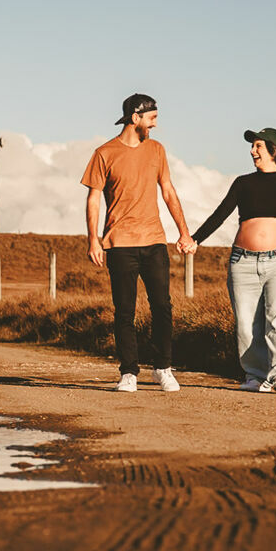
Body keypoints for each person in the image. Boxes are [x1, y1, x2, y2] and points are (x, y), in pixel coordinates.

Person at [81, 93, 198, 393]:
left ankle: (163, 368)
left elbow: (168, 191)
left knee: (162, 307)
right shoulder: (104, 153)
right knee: (124, 311)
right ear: (136, 118)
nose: (155, 125)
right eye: (152, 119)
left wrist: (184, 233)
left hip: (154, 240)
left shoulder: (156, 150)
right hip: (120, 243)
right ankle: (129, 373)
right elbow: (93, 198)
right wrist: (93, 240)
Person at [191, 127, 276, 392]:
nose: (252, 151)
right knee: (246, 323)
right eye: (252, 146)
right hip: (243, 262)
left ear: (274, 150)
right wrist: (195, 239)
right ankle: (255, 376)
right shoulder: (243, 183)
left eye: (258, 146)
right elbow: (220, 214)